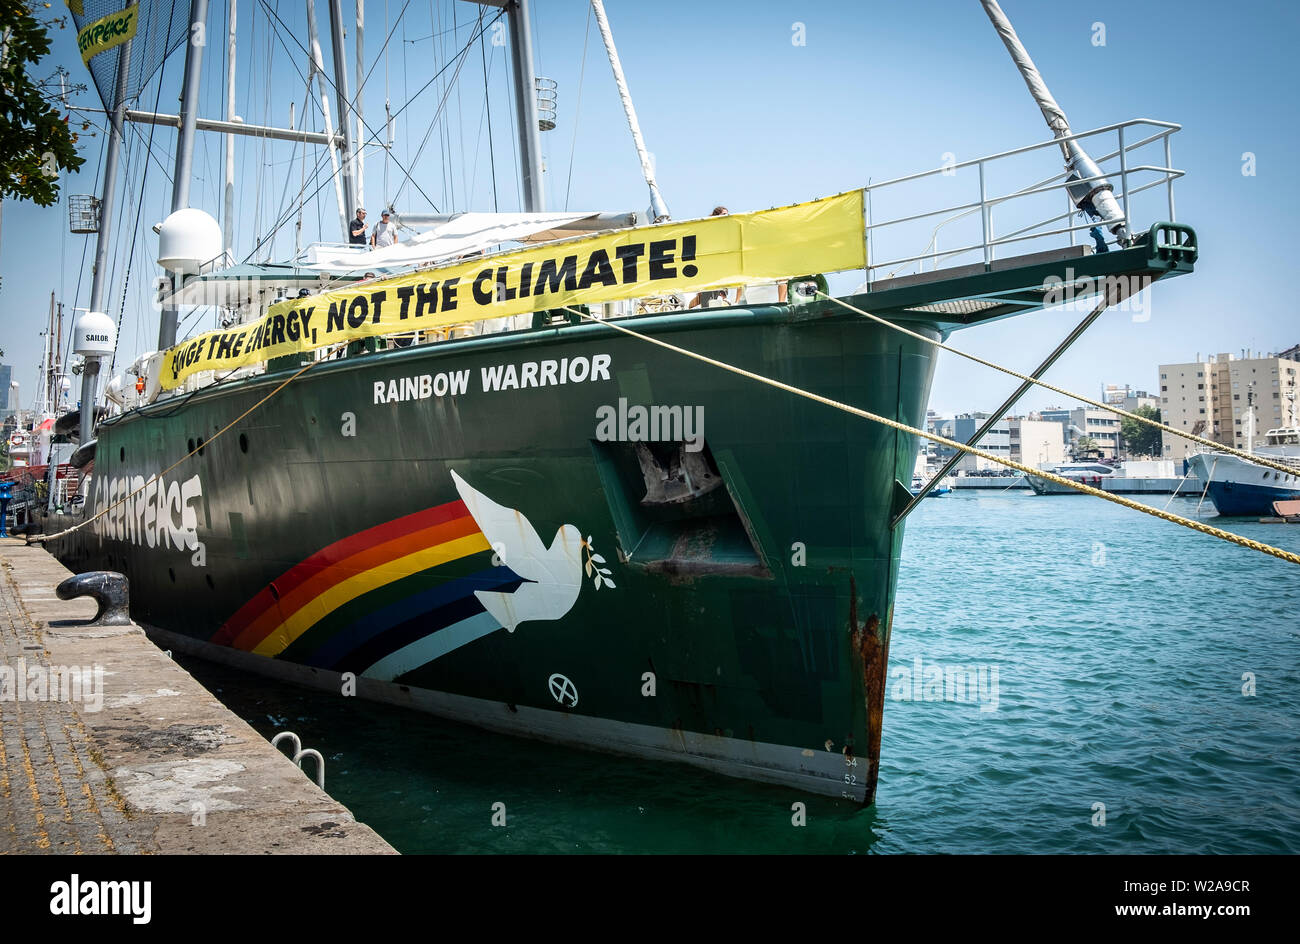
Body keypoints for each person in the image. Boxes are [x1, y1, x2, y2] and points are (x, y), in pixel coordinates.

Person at [689, 206, 735, 310]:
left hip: (722, 261)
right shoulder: (710, 228)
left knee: (722, 281)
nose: (727, 216)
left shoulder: (728, 230)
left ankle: (722, 298)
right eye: (724, 214)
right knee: (711, 286)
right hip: (711, 261)